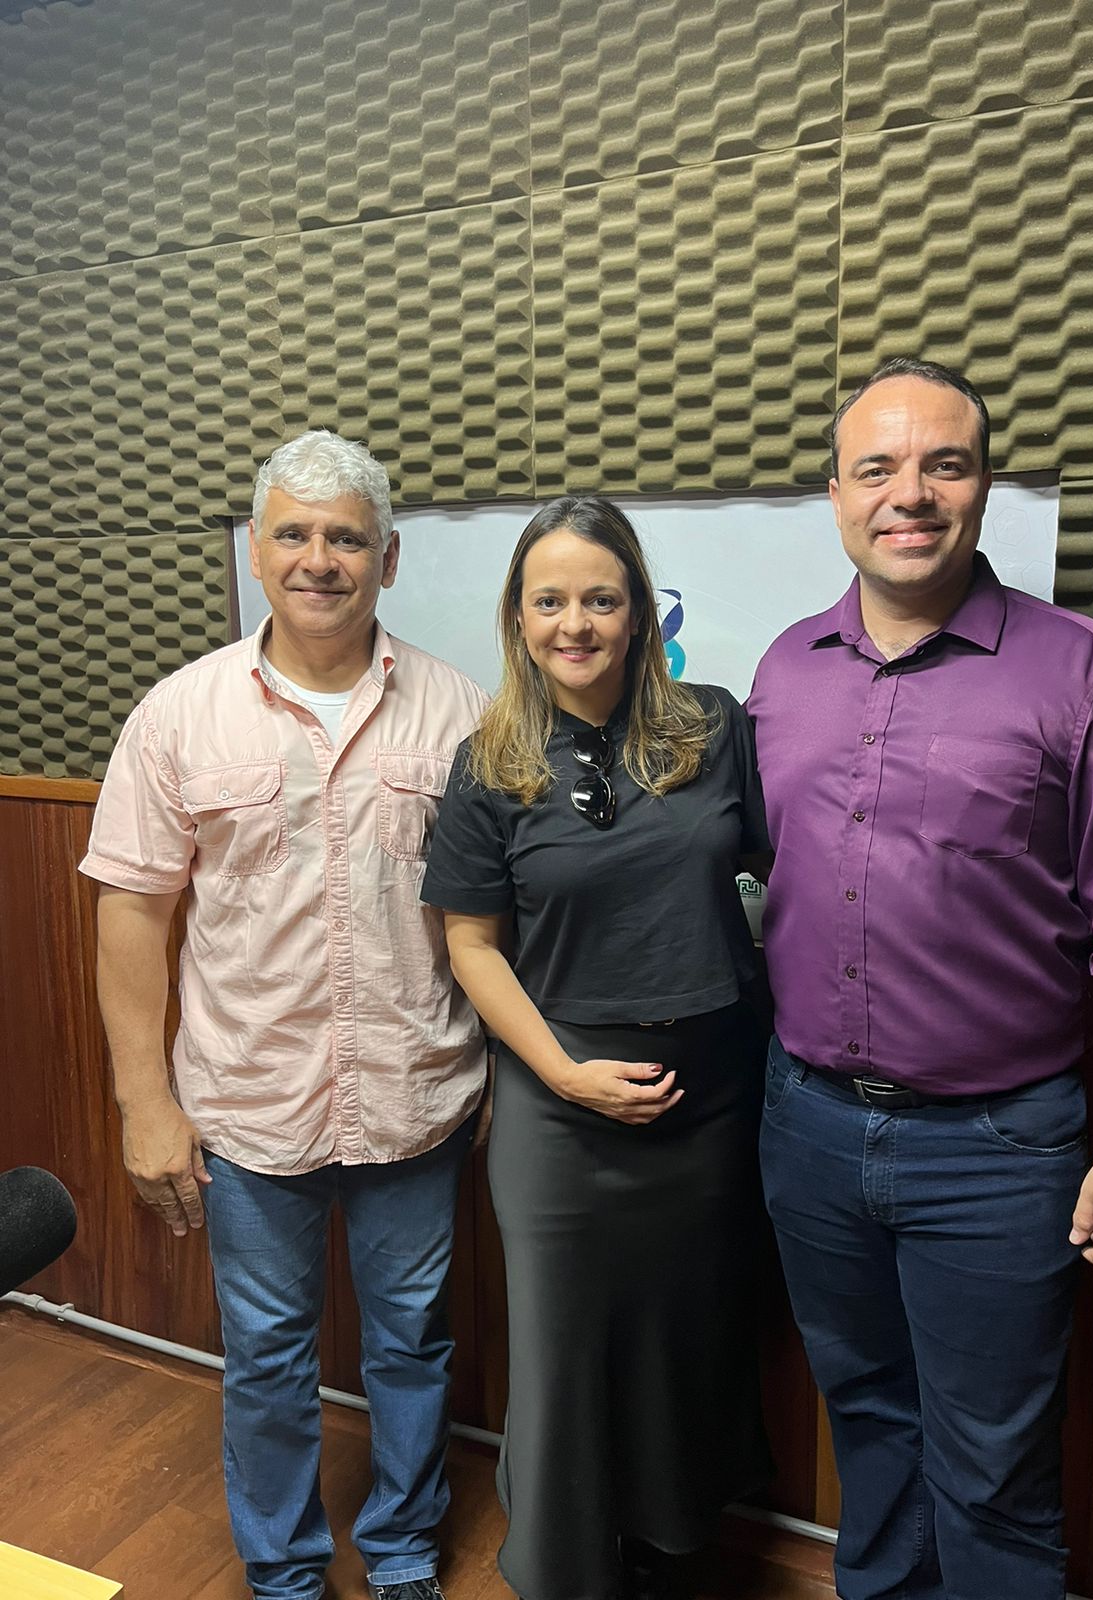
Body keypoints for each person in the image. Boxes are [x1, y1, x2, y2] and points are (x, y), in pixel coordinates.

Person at [748, 357, 1093, 1600]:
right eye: (878, 468)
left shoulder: (1080, 670)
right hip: (809, 1127)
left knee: (995, 1466)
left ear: (984, 484)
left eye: (943, 464)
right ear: (836, 494)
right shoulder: (784, 670)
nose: (911, 493)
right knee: (868, 1421)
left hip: (998, 1149)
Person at [80, 430, 489, 1600]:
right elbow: (132, 914)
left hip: (417, 1097)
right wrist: (145, 1103)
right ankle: (285, 1573)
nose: (321, 559)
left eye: (347, 537)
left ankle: (403, 1552)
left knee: (412, 1342)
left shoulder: (459, 711)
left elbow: (493, 921)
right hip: (251, 1106)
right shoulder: (180, 714)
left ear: (388, 559)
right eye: (295, 534)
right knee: (267, 1356)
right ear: (256, 552)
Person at [420, 496, 771, 1600]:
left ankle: (670, 1550)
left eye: (601, 599)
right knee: (564, 1354)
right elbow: (472, 946)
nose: (575, 623)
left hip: (709, 1099)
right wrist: (564, 1073)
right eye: (550, 601)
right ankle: (568, 1572)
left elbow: (786, 875)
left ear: (639, 612)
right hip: (558, 1104)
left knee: (686, 1339)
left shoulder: (715, 729)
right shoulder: (488, 763)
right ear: (518, 619)